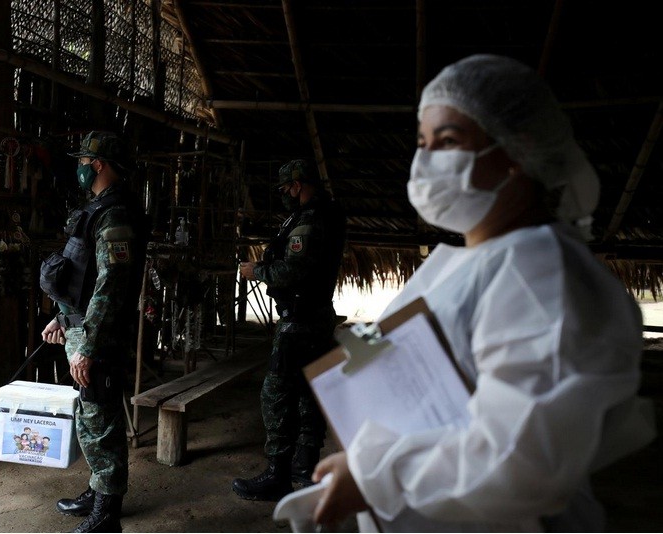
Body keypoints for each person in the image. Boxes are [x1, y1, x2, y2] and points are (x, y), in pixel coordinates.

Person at [310, 54, 657, 532]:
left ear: (518, 150)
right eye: (422, 143)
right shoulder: (457, 261)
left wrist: (377, 475)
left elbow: (526, 460)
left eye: (448, 142)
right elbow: (396, 338)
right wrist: (350, 364)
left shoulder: (541, 273)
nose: (427, 161)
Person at [40, 131, 147, 533]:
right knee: (91, 414)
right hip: (82, 326)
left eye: (84, 161)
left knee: (100, 417)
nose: (80, 167)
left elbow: (111, 286)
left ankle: (107, 513)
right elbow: (82, 276)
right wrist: (62, 318)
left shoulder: (115, 215)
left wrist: (90, 346)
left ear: (98, 164)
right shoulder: (99, 209)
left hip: (99, 334)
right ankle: (97, 489)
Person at [234, 159, 346, 501]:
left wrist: (258, 270)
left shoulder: (310, 220)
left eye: (286, 189)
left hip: (300, 321)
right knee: (309, 393)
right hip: (316, 317)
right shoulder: (326, 213)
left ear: (298, 184)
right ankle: (306, 469)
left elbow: (293, 270)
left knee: (277, 395)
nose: (284, 195)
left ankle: (277, 474)